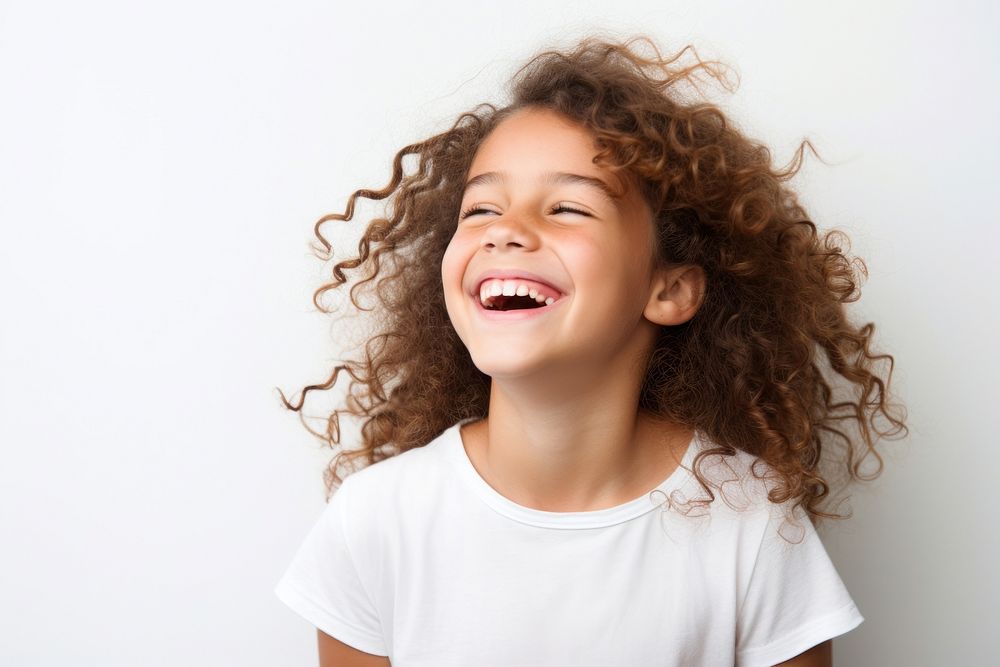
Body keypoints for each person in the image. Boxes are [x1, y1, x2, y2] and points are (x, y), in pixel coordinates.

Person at [273, 34, 907, 667]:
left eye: (568, 207)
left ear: (669, 288)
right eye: (481, 208)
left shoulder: (750, 523)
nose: (506, 231)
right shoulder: (376, 521)